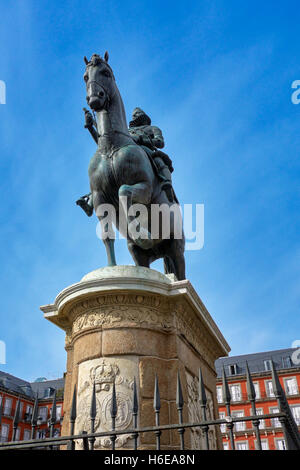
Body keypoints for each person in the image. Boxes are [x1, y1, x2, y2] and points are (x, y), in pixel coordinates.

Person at [76, 108, 175, 216]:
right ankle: (91, 200)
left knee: (159, 160)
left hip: (144, 150)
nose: (136, 116)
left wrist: (142, 139)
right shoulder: (126, 131)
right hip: (125, 153)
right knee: (104, 169)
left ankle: (166, 183)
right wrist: (91, 127)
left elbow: (160, 142)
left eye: (138, 114)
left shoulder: (152, 128)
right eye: (134, 115)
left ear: (144, 117)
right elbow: (104, 144)